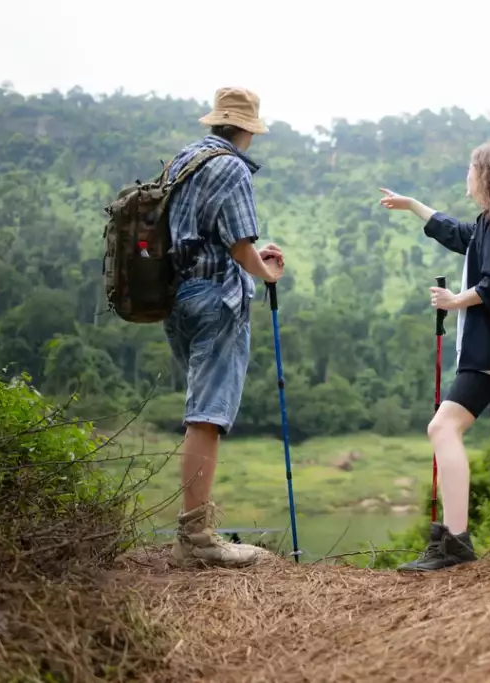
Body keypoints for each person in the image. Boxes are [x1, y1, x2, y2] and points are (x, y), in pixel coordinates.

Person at [378, 140, 490, 571]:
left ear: (487, 176)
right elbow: (460, 236)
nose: (467, 178)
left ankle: (455, 542)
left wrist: (455, 301)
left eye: (472, 170)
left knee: (443, 427)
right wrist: (416, 206)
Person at [164, 86, 286, 569]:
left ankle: (194, 530)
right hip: (216, 298)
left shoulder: (185, 160)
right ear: (247, 129)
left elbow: (205, 236)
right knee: (208, 414)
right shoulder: (231, 166)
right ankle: (195, 537)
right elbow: (239, 248)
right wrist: (267, 269)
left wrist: (255, 253)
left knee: (201, 408)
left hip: (178, 298)